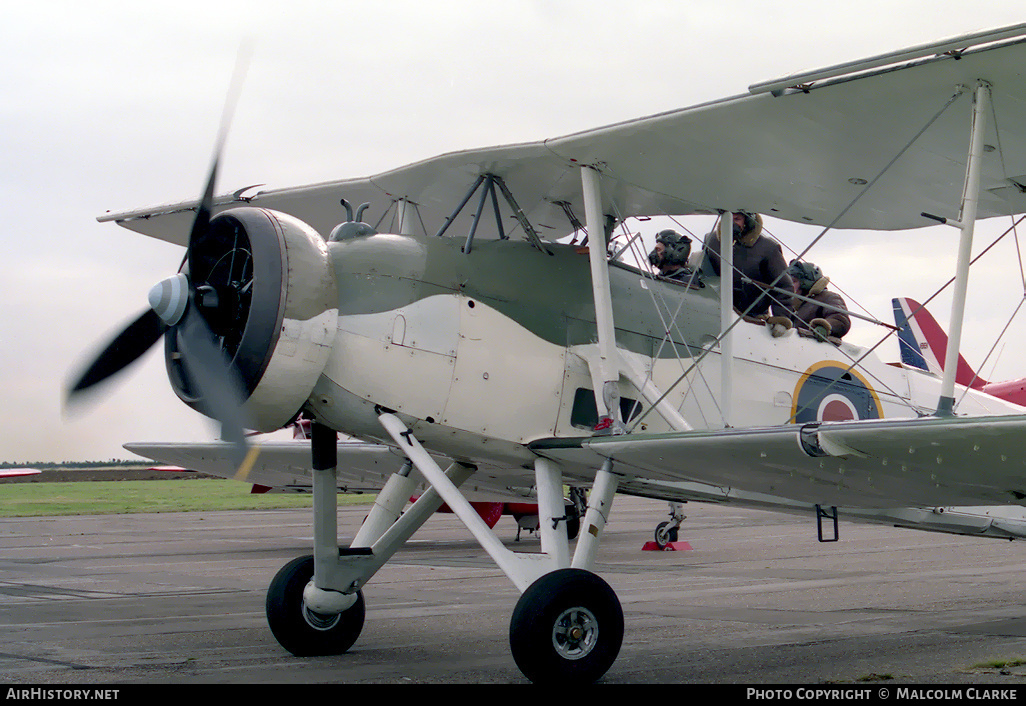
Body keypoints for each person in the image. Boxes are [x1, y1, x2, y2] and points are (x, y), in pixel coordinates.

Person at [704, 212, 794, 325]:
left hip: (753, 319)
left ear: (748, 221)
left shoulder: (768, 248)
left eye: (737, 219)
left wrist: (781, 319)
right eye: (728, 218)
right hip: (715, 312)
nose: (731, 223)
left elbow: (784, 286)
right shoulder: (711, 240)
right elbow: (703, 273)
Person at [786, 259, 851, 341]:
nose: (791, 286)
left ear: (806, 282)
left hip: (819, 349)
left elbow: (841, 319)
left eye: (794, 281)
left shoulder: (829, 297)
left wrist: (825, 326)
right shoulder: (794, 305)